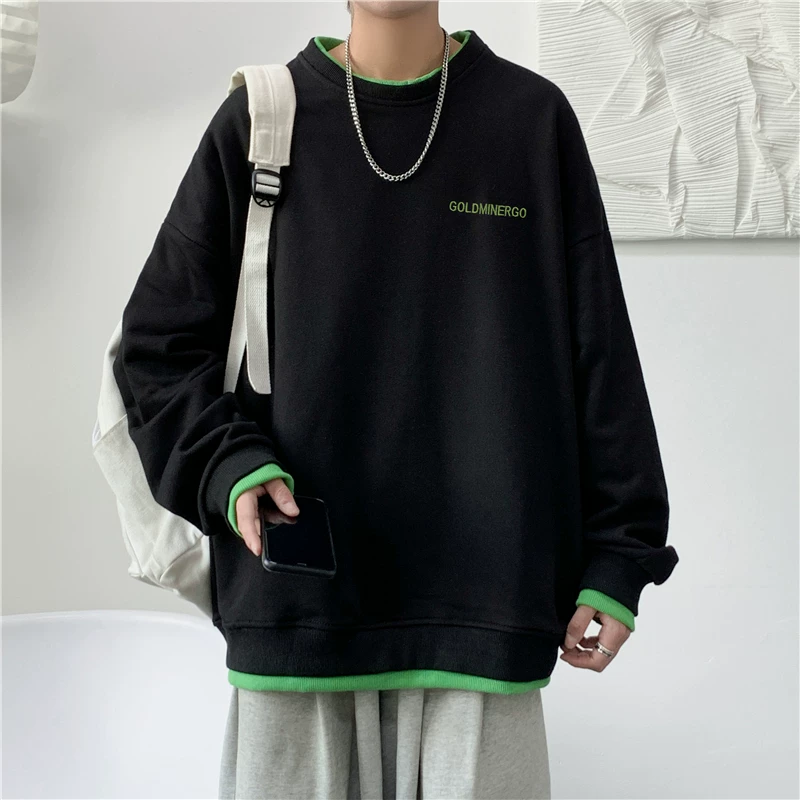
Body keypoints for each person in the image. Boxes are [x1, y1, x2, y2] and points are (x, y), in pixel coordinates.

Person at [112, 2, 680, 798]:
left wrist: (621, 556)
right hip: (300, 606)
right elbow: (156, 348)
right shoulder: (261, 121)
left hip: (486, 608)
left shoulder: (530, 120)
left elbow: (600, 355)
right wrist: (228, 466)